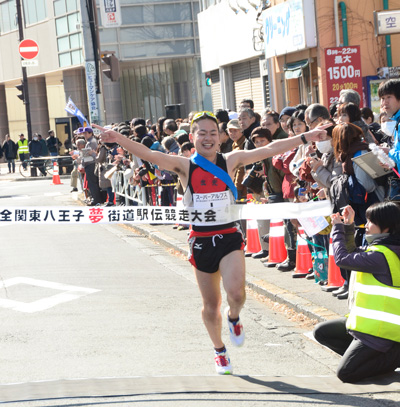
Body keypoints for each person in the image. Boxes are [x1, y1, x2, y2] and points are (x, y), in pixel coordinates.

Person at [94, 111, 330, 375]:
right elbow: (150, 155)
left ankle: (234, 317)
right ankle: (219, 350)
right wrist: (118, 138)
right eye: (202, 133)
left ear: (220, 138)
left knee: (237, 295)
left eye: (212, 133)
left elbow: (270, 148)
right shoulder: (185, 166)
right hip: (201, 241)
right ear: (193, 137)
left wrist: (306, 137)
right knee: (211, 305)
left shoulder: (230, 160)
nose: (208, 138)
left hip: (229, 236)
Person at [313, 202, 400, 383]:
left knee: (346, 374)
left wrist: (337, 228)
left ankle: (393, 358)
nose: (366, 225)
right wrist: (348, 224)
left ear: (387, 227)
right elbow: (352, 252)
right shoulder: (382, 250)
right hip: (369, 327)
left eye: (371, 221)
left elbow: (343, 258)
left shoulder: (380, 256)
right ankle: (369, 356)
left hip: (383, 333)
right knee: (321, 332)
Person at [79, 126, 103, 206]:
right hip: (90, 163)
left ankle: (95, 200)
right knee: (92, 183)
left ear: (90, 133)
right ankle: (96, 199)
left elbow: (90, 155)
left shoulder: (91, 142)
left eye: (86, 133)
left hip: (91, 164)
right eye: (84, 133)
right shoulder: (91, 141)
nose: (84, 135)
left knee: (92, 183)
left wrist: (82, 162)